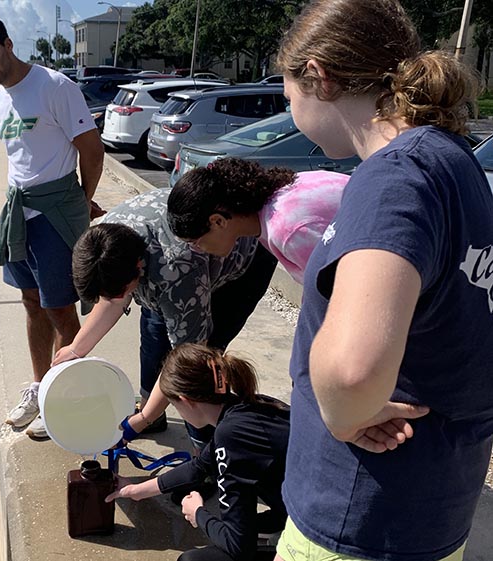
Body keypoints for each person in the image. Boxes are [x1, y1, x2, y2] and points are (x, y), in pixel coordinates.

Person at [272, 1, 493, 560]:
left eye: (288, 96)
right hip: (431, 507)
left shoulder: (393, 177)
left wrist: (341, 415)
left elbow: (351, 371)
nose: (291, 111)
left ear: (317, 77)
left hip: (356, 519)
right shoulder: (455, 162)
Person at [0, 12, 105, 439]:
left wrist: (83, 200)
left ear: (7, 44)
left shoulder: (54, 86)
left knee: (63, 313)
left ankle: (66, 397)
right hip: (19, 214)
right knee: (31, 303)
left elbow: (91, 151)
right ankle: (41, 388)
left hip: (54, 214)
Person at [52, 189, 278, 450]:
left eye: (123, 292)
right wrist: (76, 349)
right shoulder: (104, 238)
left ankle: (205, 443)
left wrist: (140, 420)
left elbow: (187, 357)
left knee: (200, 366)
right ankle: (154, 412)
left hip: (241, 265)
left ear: (138, 269)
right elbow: (111, 301)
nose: (118, 298)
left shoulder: (177, 272)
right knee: (153, 337)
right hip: (174, 262)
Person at [106, 343, 290, 561]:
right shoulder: (250, 406)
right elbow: (198, 468)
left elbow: (238, 546)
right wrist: (136, 490)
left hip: (327, 535)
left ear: (186, 401)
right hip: (320, 503)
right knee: (248, 524)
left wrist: (199, 514)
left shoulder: (232, 437)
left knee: (191, 560)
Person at [167, 158, 350, 284]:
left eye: (195, 243)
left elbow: (348, 291)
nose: (198, 251)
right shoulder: (277, 201)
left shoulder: (287, 230)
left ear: (218, 222)